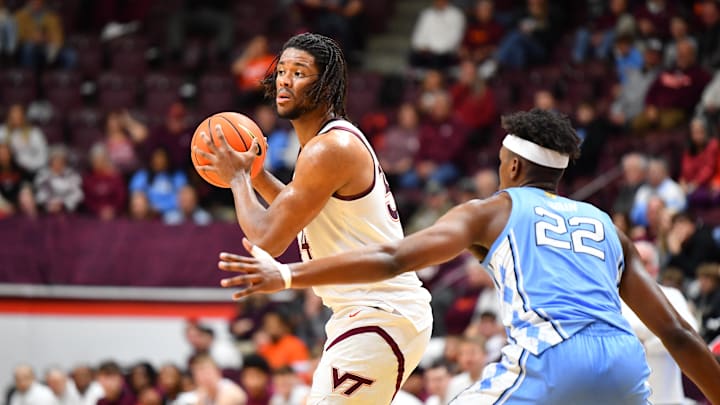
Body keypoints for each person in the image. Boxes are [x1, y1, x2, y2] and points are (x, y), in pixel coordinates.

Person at [218, 109, 720, 404]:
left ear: (514, 165)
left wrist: (286, 274)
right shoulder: (605, 225)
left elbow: (394, 258)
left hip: (554, 357)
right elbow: (677, 332)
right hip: (626, 367)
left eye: (502, 162)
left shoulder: (491, 211)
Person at [194, 32, 432, 403]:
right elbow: (297, 212)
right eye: (282, 71)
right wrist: (255, 173)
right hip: (373, 314)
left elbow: (268, 239)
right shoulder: (321, 147)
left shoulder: (329, 149)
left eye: (299, 72)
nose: (285, 80)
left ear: (326, 85)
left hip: (380, 313)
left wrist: (238, 178)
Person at [620, 241, 698, 405]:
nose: (639, 267)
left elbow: (691, 334)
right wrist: (666, 332)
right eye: (634, 261)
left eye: (645, 262)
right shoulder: (615, 299)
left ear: (655, 268)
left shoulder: (672, 295)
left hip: (667, 397)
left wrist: (643, 343)